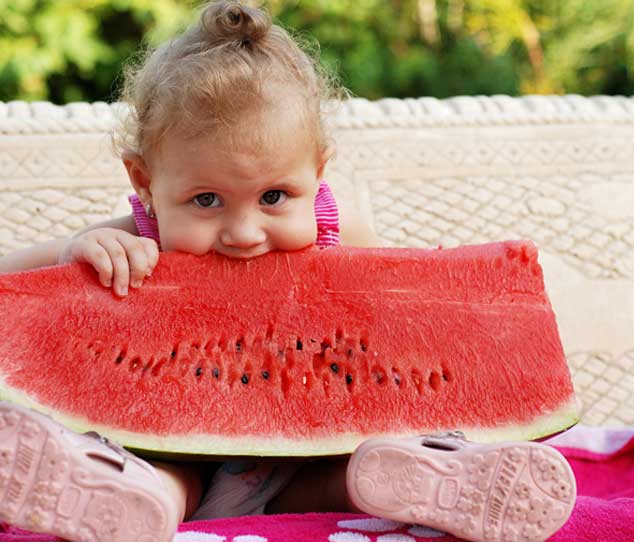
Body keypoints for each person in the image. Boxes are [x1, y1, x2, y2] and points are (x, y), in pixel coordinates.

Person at [0, 2, 576, 541]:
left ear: (318, 172)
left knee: (362, 472)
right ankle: (123, 497)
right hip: (171, 455)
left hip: (314, 460)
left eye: (274, 195)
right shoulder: (137, 235)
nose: (244, 232)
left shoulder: (339, 231)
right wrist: (78, 251)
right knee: (168, 473)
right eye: (206, 201)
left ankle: (435, 479)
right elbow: (11, 287)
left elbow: (394, 326)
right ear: (145, 184)